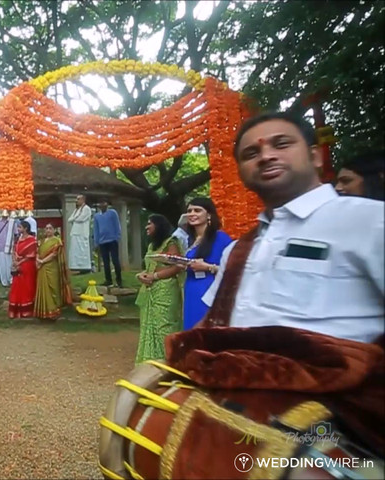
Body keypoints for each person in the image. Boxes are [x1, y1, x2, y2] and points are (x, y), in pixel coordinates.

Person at [201, 112, 384, 343]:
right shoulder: (238, 250)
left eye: (281, 144)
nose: (266, 156)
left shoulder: (370, 221)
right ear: (241, 173)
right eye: (251, 154)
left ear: (315, 156)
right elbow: (215, 322)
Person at [176, 198, 233, 330]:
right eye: (189, 211)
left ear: (209, 215)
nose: (192, 214)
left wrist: (207, 267)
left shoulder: (221, 238)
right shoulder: (191, 239)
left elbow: (233, 269)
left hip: (210, 289)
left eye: (197, 210)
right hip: (191, 289)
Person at [134, 214, 183, 363]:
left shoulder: (171, 243)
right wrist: (140, 276)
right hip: (150, 289)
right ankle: (148, 363)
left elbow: (177, 266)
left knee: (164, 327)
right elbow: (148, 268)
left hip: (165, 291)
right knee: (148, 327)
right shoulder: (151, 246)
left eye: (150, 224)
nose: (146, 227)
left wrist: (154, 276)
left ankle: (167, 363)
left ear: (159, 225)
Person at [34, 224, 72, 320]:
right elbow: (38, 252)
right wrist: (38, 260)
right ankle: (43, 311)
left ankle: (54, 310)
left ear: (54, 230)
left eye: (50, 228)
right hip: (42, 268)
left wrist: (42, 261)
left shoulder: (57, 241)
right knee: (43, 287)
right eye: (46, 228)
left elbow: (54, 254)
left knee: (53, 287)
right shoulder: (41, 241)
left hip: (52, 267)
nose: (48, 230)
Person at [8, 220, 38, 318]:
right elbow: (14, 251)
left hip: (27, 266)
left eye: (20, 227)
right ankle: (16, 311)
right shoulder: (17, 239)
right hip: (18, 265)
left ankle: (26, 311)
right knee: (16, 286)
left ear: (26, 228)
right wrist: (14, 261)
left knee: (27, 286)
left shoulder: (32, 240)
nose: (18, 229)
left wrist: (19, 262)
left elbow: (31, 255)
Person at [93, 198, 123, 286]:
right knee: (106, 262)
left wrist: (117, 236)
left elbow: (117, 225)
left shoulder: (112, 213)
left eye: (104, 202)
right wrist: (96, 241)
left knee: (115, 260)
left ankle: (119, 279)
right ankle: (108, 280)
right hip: (102, 242)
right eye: (101, 203)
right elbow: (96, 229)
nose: (103, 205)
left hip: (112, 240)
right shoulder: (96, 216)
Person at [67, 195, 93, 274]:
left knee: (83, 250)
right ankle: (77, 267)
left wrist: (74, 219)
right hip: (75, 232)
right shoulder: (76, 210)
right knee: (75, 250)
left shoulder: (86, 209)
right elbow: (69, 219)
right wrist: (75, 219)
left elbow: (81, 219)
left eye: (78, 199)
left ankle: (85, 268)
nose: (76, 201)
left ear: (83, 200)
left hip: (82, 233)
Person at [0, 215, 16, 287]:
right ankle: (4, 282)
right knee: (1, 265)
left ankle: (11, 280)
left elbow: (16, 233)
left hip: (9, 246)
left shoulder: (12, 222)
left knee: (9, 264)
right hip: (0, 246)